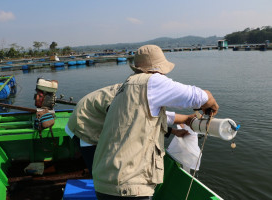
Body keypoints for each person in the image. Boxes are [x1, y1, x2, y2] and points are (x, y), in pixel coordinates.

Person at [92, 44, 219, 200]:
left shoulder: (128, 86)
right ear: (158, 69)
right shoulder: (152, 81)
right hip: (128, 186)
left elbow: (153, 116)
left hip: (105, 180)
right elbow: (199, 97)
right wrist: (212, 103)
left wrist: (186, 119)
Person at [65, 84, 194, 176]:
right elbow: (139, 124)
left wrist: (178, 127)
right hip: (84, 124)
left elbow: (156, 117)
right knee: (98, 170)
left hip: (97, 115)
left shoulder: (138, 91)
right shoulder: (129, 100)